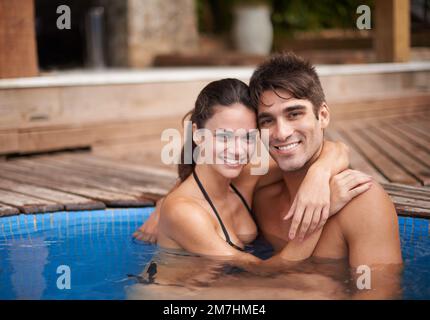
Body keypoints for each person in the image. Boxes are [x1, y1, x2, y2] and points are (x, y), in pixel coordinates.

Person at [134, 78, 371, 267]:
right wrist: (324, 209)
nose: (237, 151)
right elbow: (267, 270)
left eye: (247, 137)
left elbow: (336, 149)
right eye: (224, 136)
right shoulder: (183, 211)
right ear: (198, 134)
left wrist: (318, 175)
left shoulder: (243, 179)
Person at [249, 52, 402, 298]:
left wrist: (320, 172)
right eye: (267, 120)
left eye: (294, 114)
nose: (281, 132)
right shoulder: (261, 195)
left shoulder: (363, 203)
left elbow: (378, 293)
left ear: (323, 116)